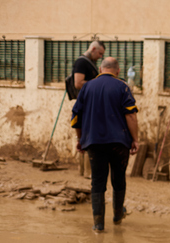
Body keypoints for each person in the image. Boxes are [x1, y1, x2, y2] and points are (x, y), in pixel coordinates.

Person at [71, 57, 139, 232]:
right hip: (119, 143)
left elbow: (76, 116)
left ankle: (98, 224)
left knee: (98, 181)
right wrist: (135, 139)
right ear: (117, 71)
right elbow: (131, 115)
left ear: (100, 69)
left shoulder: (87, 87)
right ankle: (117, 216)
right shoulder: (122, 86)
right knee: (119, 178)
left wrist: (80, 139)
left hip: (94, 142)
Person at [72, 41, 106, 179]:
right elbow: (78, 83)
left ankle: (85, 171)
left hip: (91, 103)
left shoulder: (88, 62)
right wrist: (97, 83)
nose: (100, 57)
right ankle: (87, 172)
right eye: (99, 53)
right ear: (93, 49)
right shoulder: (81, 62)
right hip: (86, 104)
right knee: (89, 136)